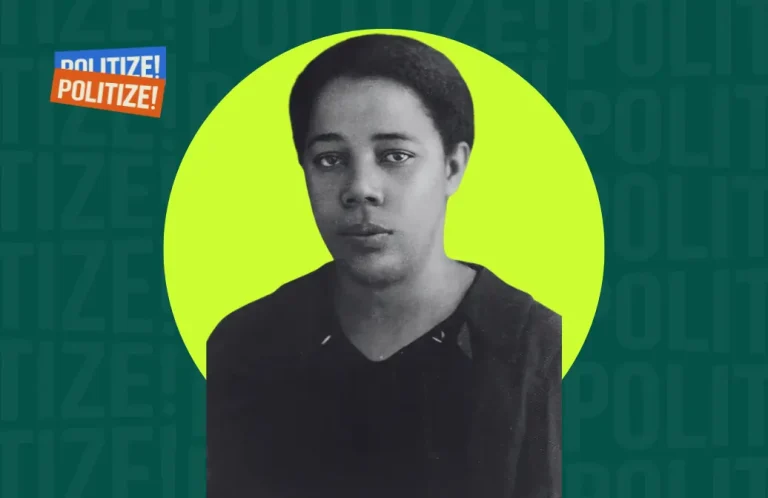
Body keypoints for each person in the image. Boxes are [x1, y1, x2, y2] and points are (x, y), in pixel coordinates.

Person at [207, 33, 562, 498]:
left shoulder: (540, 353)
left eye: (395, 156)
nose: (361, 188)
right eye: (330, 159)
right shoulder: (242, 347)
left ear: (452, 167)